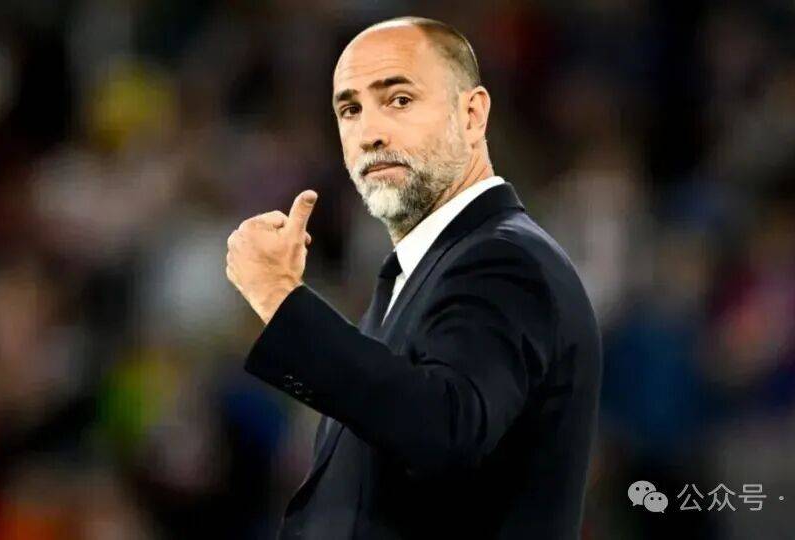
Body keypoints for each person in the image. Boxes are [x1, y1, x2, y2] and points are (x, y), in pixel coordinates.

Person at [225, 16, 601, 539]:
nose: (370, 133)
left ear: (472, 115)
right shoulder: (422, 273)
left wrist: (280, 297)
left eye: (399, 100)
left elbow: (443, 430)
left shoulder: (503, 261)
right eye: (350, 109)